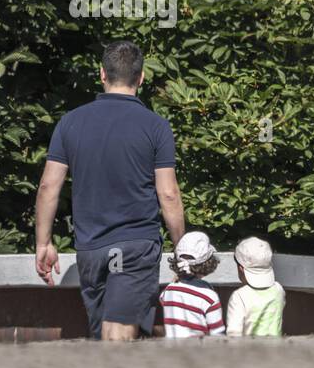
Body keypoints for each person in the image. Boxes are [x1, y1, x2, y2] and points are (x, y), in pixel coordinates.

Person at [34, 41, 185, 340]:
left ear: (102, 74)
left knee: (106, 335)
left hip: (90, 251)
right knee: (116, 336)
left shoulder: (70, 123)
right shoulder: (156, 127)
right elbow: (168, 194)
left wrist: (43, 242)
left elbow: (49, 186)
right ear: (141, 78)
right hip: (135, 246)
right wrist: (181, 248)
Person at [158, 231, 225, 337]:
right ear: (209, 262)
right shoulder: (209, 296)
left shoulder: (169, 289)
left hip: (170, 349)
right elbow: (217, 333)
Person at [227, 236, 286, 337]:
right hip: (276, 350)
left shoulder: (239, 296)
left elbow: (234, 334)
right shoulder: (279, 290)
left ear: (241, 268)